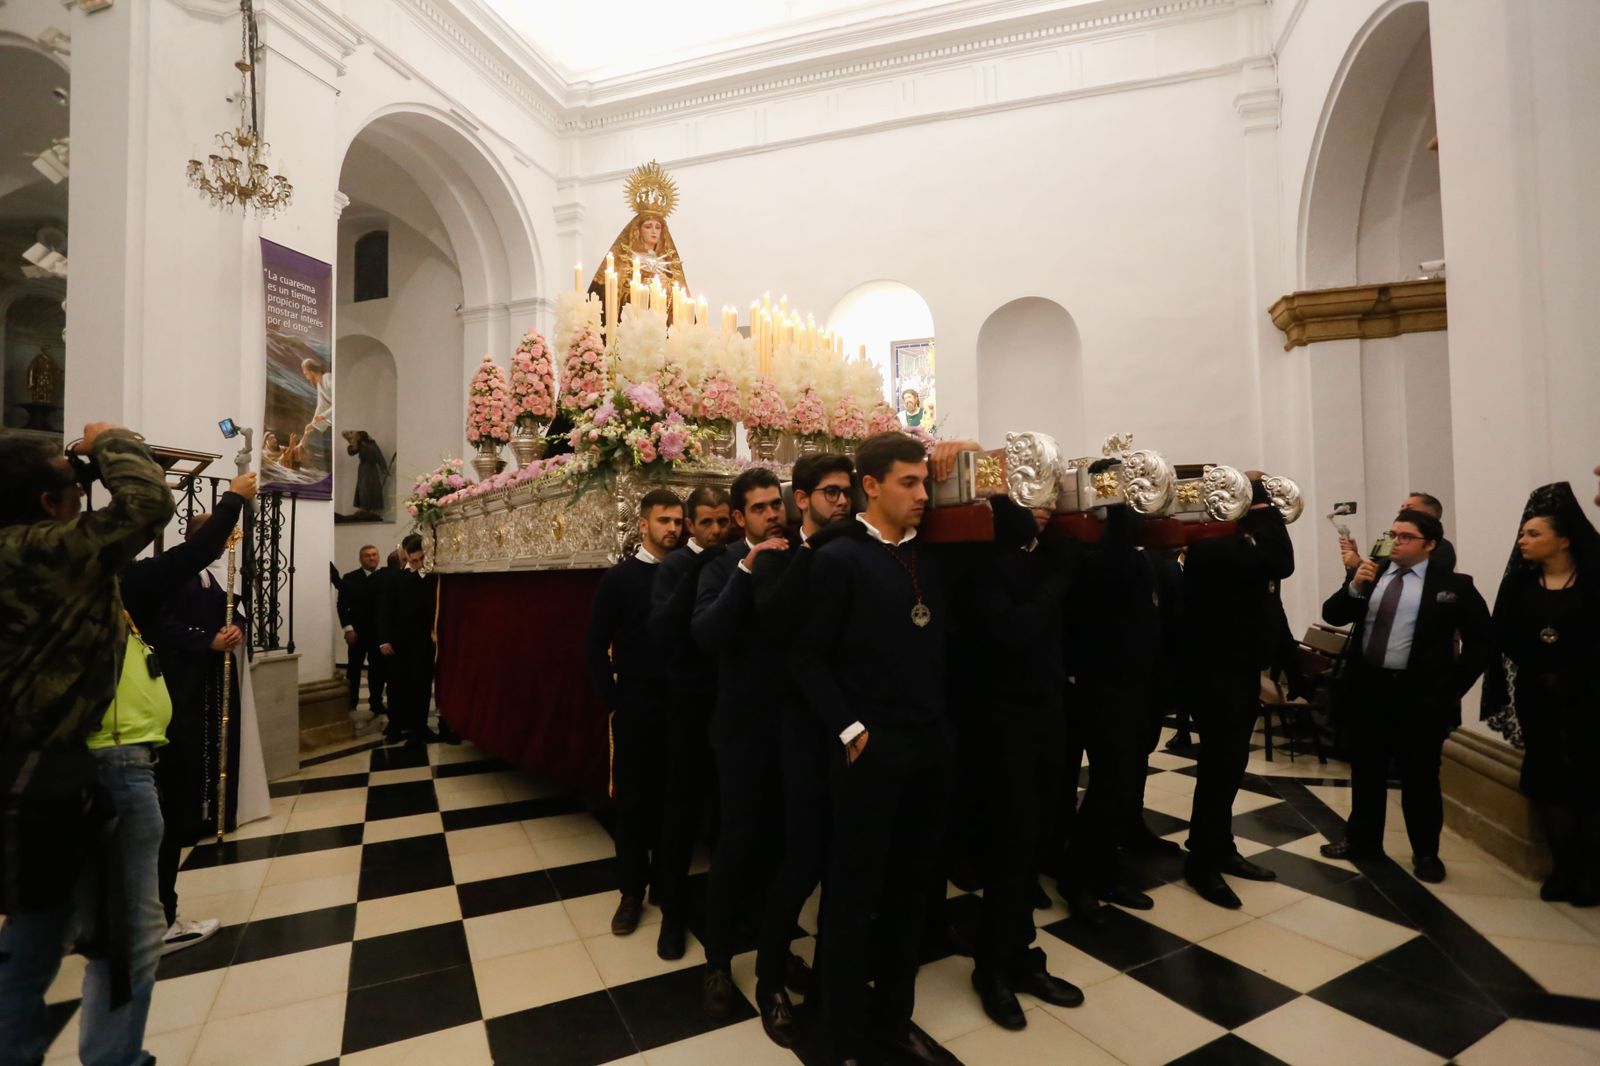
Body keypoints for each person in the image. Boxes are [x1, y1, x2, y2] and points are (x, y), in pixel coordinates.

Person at [0, 423, 177, 1066]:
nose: (85, 498)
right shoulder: (50, 550)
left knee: (35, 935)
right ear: (50, 504)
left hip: (27, 768)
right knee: (127, 936)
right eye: (75, 490)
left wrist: (82, 473)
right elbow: (149, 505)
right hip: (87, 766)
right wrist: (111, 441)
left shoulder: (19, 548)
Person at [792, 431, 963, 1066]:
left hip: (928, 747)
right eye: (909, 483)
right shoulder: (839, 559)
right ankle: (833, 1030)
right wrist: (850, 729)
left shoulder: (931, 555)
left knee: (911, 894)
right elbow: (807, 658)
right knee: (854, 894)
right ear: (871, 486)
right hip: (870, 751)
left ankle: (893, 1021)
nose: (924, 495)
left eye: (925, 482)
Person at [121, 473, 258, 954]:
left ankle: (121, 918)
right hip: (138, 720)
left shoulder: (93, 575)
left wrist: (231, 631)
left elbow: (230, 607)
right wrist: (235, 500)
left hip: (130, 721)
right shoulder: (139, 577)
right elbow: (168, 614)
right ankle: (156, 920)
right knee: (154, 823)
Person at [1319, 509, 1492, 882]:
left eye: (1405, 537)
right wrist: (1354, 586)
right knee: (1366, 770)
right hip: (1369, 690)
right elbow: (1333, 614)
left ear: (1429, 544)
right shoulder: (1373, 573)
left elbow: (1483, 643)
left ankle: (1426, 853)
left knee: (1420, 777)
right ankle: (1362, 840)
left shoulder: (1453, 586)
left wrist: (1451, 686)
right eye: (1393, 534)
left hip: (1420, 696)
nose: (1394, 542)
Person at [747, 453, 855, 1046]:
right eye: (831, 493)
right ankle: (768, 977)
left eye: (847, 493)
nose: (842, 501)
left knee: (843, 855)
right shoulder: (781, 554)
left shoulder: (858, 549)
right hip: (799, 724)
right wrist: (810, 549)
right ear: (802, 498)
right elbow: (774, 617)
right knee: (802, 856)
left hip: (851, 720)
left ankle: (833, 980)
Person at [967, 494, 1085, 1030]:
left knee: (1033, 842)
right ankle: (992, 968)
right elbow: (1015, 629)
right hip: (1003, 721)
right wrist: (1058, 578)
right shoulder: (981, 566)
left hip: (1046, 712)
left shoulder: (1032, 557)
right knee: (1009, 847)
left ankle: (1022, 954)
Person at [691, 468, 795, 1020]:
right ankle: (717, 960)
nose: (772, 515)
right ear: (740, 518)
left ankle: (774, 959)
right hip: (741, 730)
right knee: (735, 845)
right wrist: (746, 572)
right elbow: (707, 634)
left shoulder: (803, 555)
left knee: (784, 844)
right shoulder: (719, 565)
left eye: (776, 504)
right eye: (759, 508)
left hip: (794, 727)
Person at [1482, 484, 1600, 904]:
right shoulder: (1520, 585)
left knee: (1589, 783)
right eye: (1523, 534)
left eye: (1534, 534)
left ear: (1564, 539)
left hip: (1589, 698)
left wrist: (1573, 670)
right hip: (1540, 697)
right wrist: (1541, 667)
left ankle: (1591, 873)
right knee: (1550, 785)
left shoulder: (1593, 581)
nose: (1523, 540)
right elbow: (1506, 634)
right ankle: (1563, 869)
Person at [1182, 476, 1296, 909]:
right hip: (1214, 673)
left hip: (1239, 670)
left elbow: (1270, 597)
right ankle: (1202, 863)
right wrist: (1264, 508)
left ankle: (1219, 846)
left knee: (1230, 766)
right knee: (1219, 768)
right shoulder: (1213, 545)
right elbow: (1282, 562)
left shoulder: (1238, 544)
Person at [585, 489, 683, 938]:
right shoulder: (620, 579)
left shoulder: (689, 572)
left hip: (681, 703)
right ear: (643, 525)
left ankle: (667, 882)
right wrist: (614, 699)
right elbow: (593, 646)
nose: (673, 528)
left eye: (678, 521)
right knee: (633, 802)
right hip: (636, 704)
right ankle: (631, 891)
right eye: (664, 520)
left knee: (674, 798)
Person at [648, 486, 729, 960]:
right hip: (686, 705)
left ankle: (726, 906)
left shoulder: (739, 557)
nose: (717, 530)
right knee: (679, 811)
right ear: (691, 525)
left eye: (723, 521)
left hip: (726, 703)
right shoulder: (678, 565)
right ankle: (673, 915)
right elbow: (664, 631)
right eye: (707, 523)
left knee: (724, 809)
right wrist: (698, 567)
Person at [376, 533, 446, 747]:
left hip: (423, 643)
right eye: (413, 560)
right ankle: (395, 728)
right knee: (397, 686)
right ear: (405, 556)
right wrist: (384, 639)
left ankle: (420, 728)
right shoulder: (395, 578)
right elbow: (384, 610)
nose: (418, 564)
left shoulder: (433, 579)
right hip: (398, 642)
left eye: (421, 559)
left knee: (421, 686)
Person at [1340, 490, 1456, 574]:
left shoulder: (1443, 547)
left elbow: (1431, 578)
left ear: (1429, 515)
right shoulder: (1385, 543)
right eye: (1401, 508)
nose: (1401, 511)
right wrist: (1353, 559)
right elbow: (1366, 581)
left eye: (1409, 508)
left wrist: (1359, 564)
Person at [339, 545, 389, 719]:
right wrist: (348, 629)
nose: (371, 558)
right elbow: (342, 606)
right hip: (357, 634)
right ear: (361, 559)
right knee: (354, 669)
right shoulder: (350, 578)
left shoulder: (385, 578)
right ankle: (351, 703)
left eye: (374, 555)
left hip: (378, 634)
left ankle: (376, 703)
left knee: (378, 669)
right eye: (367, 556)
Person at [342, 430, 388, 517]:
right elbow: (351, 451)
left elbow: (379, 456)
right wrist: (349, 439)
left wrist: (383, 468)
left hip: (371, 469)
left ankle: (371, 508)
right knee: (362, 488)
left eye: (358, 436)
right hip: (363, 468)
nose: (357, 438)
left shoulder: (371, 445)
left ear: (362, 436)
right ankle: (363, 507)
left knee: (371, 488)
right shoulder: (360, 446)